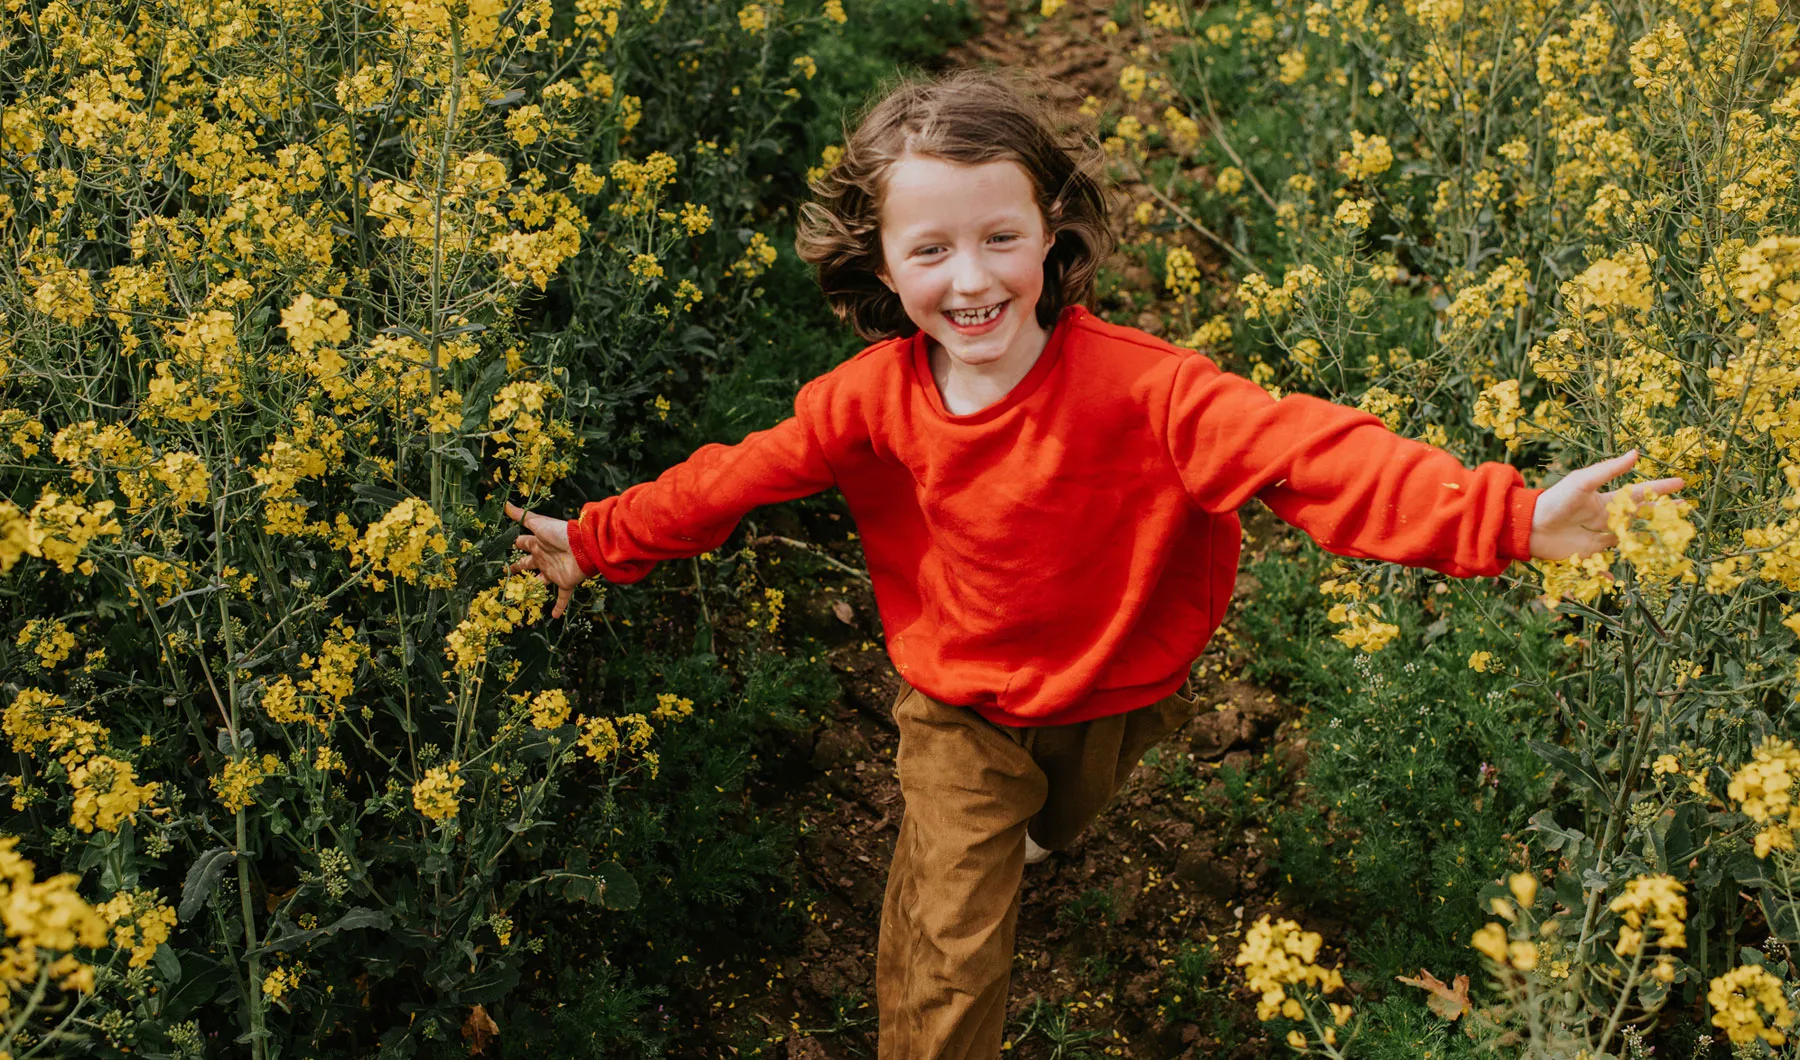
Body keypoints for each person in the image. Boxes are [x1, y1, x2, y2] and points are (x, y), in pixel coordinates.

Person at [504, 68, 1682, 1060]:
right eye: (932, 250)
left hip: (1119, 688)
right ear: (880, 260)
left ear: (1053, 228)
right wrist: (599, 539)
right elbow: (734, 478)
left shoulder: (1148, 388)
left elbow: (1308, 451)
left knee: (1066, 823)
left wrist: (1510, 518)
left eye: (1000, 238)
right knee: (950, 939)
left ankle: (1036, 826)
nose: (971, 280)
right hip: (959, 698)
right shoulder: (866, 399)